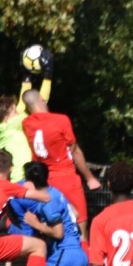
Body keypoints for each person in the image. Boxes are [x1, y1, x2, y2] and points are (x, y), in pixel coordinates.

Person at [21, 89, 101, 247]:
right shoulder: (61, 120)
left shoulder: (27, 124)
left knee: (53, 228)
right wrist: (90, 178)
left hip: (45, 183)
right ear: (42, 100)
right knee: (80, 228)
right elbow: (75, 150)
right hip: (66, 178)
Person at [0, 48, 54, 183]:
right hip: (23, 179)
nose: (18, 111)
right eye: (14, 111)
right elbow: (39, 102)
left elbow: (21, 105)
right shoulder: (13, 125)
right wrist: (47, 76)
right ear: (7, 117)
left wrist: (26, 78)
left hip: (21, 177)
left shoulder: (4, 127)